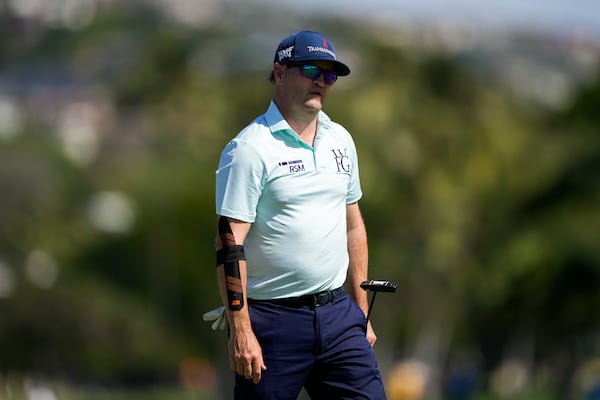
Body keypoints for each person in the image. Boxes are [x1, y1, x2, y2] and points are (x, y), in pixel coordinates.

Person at [214, 30, 387, 399]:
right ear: (279, 72)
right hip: (272, 322)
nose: (321, 81)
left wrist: (360, 311)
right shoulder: (249, 148)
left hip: (339, 315)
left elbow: (353, 225)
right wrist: (241, 330)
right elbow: (230, 243)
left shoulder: (341, 140)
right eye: (311, 69)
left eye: (329, 75)